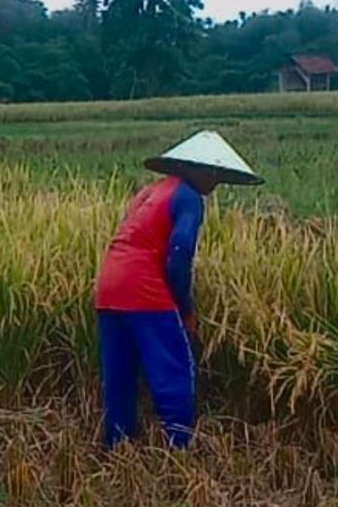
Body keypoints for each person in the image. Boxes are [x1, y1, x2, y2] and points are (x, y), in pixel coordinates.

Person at [94, 131, 262, 449]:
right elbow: (179, 254)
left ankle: (116, 446)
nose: (214, 182)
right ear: (194, 169)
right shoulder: (187, 197)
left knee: (119, 373)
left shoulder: (151, 191)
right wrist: (184, 307)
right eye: (212, 173)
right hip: (143, 288)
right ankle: (178, 448)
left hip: (108, 284)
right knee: (174, 369)